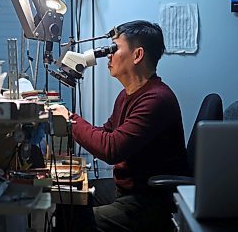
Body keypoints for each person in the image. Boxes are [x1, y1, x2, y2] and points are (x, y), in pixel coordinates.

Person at [50, 20, 188, 231]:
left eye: (114, 48)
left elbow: (111, 149)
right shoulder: (127, 94)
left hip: (147, 201)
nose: (108, 55)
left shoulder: (156, 100)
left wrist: (70, 120)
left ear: (137, 55)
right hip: (125, 189)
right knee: (64, 201)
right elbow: (106, 133)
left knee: (71, 222)